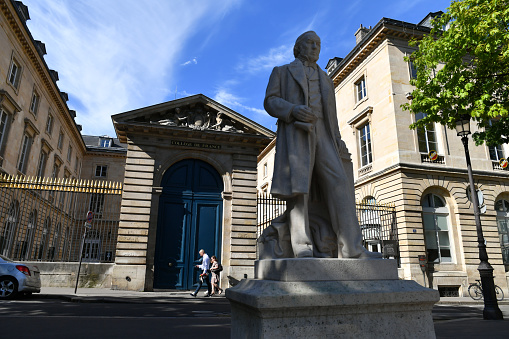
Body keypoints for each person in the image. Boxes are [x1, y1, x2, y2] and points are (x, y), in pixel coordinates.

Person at [264, 31, 381, 259]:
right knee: (300, 190)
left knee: (339, 183)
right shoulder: (282, 72)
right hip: (297, 132)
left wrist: (337, 139)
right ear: (298, 47)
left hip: (324, 134)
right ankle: (302, 247)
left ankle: (352, 248)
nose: (315, 46)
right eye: (310, 42)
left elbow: (332, 114)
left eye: (318, 43)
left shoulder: (326, 78)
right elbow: (270, 101)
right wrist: (292, 110)